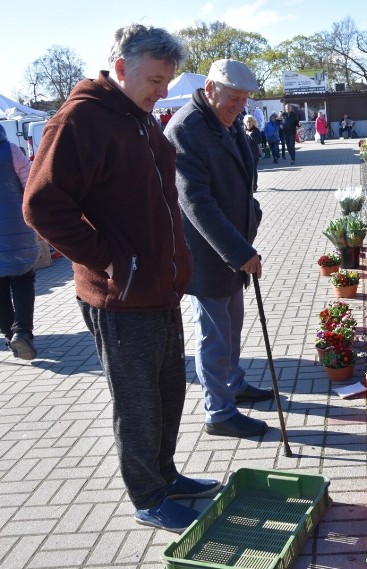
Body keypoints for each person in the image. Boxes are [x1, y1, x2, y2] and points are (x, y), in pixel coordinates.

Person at [23, 23, 221, 534]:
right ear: (120, 70)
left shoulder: (139, 120)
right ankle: (148, 495)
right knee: (137, 401)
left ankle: (165, 474)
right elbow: (42, 205)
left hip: (160, 287)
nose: (162, 91)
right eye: (155, 80)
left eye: (166, 81)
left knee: (168, 391)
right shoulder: (81, 120)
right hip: (122, 294)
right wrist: (105, 258)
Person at [164, 58, 273, 440]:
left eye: (244, 99)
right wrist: (240, 251)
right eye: (234, 98)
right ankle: (219, 412)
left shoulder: (222, 120)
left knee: (233, 326)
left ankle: (234, 383)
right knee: (214, 335)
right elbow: (196, 203)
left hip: (232, 248)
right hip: (208, 255)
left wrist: (251, 217)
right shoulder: (186, 129)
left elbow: (244, 175)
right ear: (210, 89)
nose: (240, 106)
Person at [0, 126, 39, 360]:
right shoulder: (11, 150)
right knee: (23, 280)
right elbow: (31, 188)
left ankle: (8, 334)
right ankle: (22, 332)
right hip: (17, 228)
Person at [243, 114, 262, 191]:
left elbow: (259, 141)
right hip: (246, 154)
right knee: (247, 170)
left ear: (253, 122)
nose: (248, 123)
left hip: (254, 154)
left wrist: (252, 135)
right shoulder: (243, 130)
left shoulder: (256, 131)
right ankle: (248, 186)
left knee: (253, 170)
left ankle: (254, 186)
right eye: (247, 122)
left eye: (250, 122)